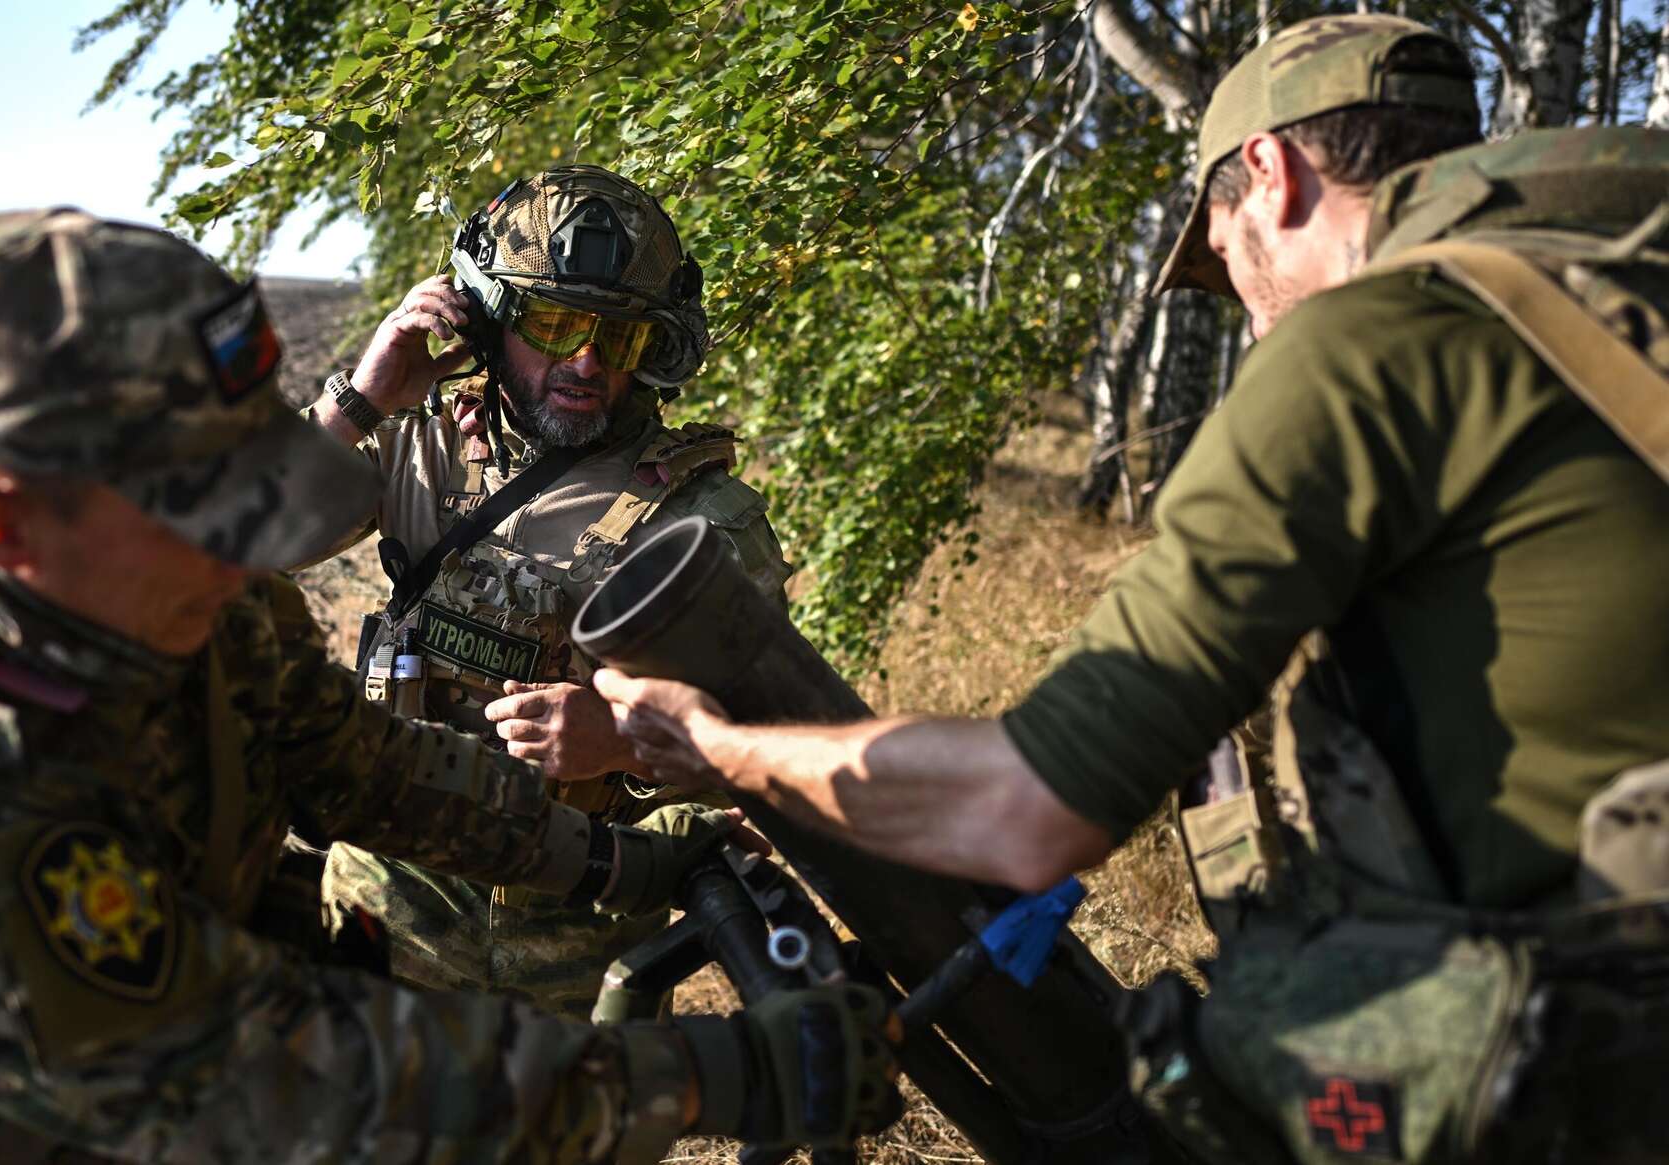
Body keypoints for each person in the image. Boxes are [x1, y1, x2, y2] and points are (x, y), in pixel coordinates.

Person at [595, 16, 1669, 1164]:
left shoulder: (1380, 337)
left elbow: (1028, 807)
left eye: (1221, 256)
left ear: (1271, 172)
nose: (1250, 311)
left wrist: (727, 751)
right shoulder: (1619, 290)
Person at [0, 208, 900, 1163]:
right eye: (206, 513)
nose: (246, 554)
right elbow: (279, 1076)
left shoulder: (183, 613)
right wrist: (715, 1077)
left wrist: (621, 864)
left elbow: (371, 768)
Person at [309, 165, 794, 1020]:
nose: (586, 361)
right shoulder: (415, 449)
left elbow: (770, 747)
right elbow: (233, 546)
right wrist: (360, 399)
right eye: (556, 322)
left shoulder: (702, 521)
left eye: (620, 336)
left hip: (577, 960)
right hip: (383, 921)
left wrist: (624, 742)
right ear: (491, 318)